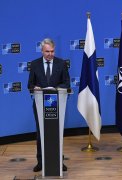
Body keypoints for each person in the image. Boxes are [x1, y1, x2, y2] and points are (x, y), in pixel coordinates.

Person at [28, 38, 70, 172]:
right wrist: (35, 87)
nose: (50, 54)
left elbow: (66, 83)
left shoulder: (61, 63)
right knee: (41, 133)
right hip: (40, 103)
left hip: (56, 103)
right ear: (42, 51)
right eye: (47, 51)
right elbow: (29, 84)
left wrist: (56, 88)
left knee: (56, 132)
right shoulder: (34, 64)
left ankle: (59, 161)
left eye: (52, 51)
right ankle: (40, 162)